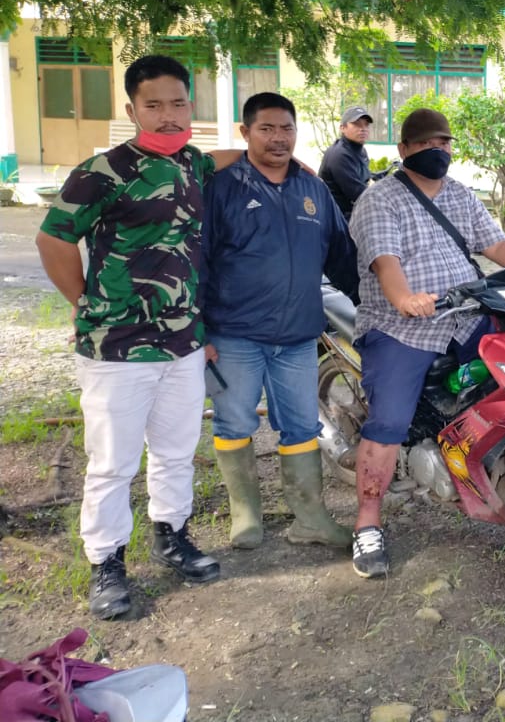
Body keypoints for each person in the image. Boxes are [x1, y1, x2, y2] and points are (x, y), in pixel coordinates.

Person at [34, 54, 222, 620]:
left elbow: (227, 158)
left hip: (183, 342)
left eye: (178, 103)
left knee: (175, 449)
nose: (168, 116)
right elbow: (53, 240)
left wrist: (300, 163)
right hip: (116, 348)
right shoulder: (103, 170)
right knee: (112, 462)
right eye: (154, 105)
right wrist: (86, 305)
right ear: (132, 109)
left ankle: (172, 535)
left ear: (191, 104)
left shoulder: (194, 164)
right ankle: (107, 562)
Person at [347, 108, 505, 578]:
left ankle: (488, 470)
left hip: (466, 317)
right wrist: (404, 297)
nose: (438, 151)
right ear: (404, 150)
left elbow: (495, 245)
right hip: (402, 327)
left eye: (444, 143)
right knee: (388, 422)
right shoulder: (379, 200)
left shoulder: (461, 195)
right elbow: (386, 260)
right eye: (426, 144)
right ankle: (368, 520)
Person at [203, 92, 360, 553]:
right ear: (245, 132)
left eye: (286, 129)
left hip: (296, 336)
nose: (278, 138)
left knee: (299, 425)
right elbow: (199, 261)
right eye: (266, 128)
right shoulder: (224, 187)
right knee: (233, 422)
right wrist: (200, 329)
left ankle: (310, 516)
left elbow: (342, 256)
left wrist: (371, 302)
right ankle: (246, 513)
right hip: (234, 335)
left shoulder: (313, 190)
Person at [319, 106, 379, 219]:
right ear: (342, 128)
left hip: (352, 214)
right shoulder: (339, 155)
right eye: (357, 124)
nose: (363, 128)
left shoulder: (360, 151)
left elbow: (365, 180)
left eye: (366, 124)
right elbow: (358, 193)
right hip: (336, 220)